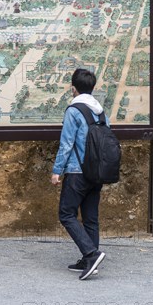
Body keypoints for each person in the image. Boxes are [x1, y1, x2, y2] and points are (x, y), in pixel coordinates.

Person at [51, 68, 107, 280]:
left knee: (66, 214)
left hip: (77, 171)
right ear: (92, 88)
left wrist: (57, 171)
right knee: (91, 218)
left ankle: (91, 254)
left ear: (73, 88)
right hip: (97, 172)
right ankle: (88, 261)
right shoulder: (101, 111)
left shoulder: (73, 111)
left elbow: (66, 144)